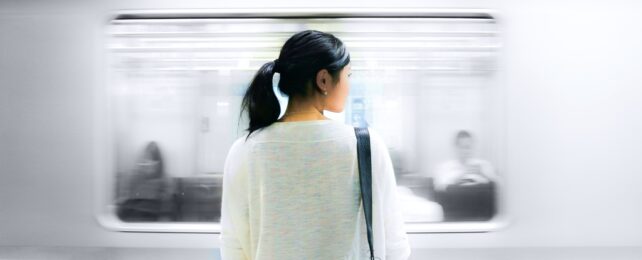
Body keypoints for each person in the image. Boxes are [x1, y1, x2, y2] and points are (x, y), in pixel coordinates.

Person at [220, 30, 411, 260]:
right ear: (323, 80)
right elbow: (394, 246)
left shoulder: (244, 150)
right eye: (348, 75)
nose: (349, 85)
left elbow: (233, 248)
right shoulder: (366, 145)